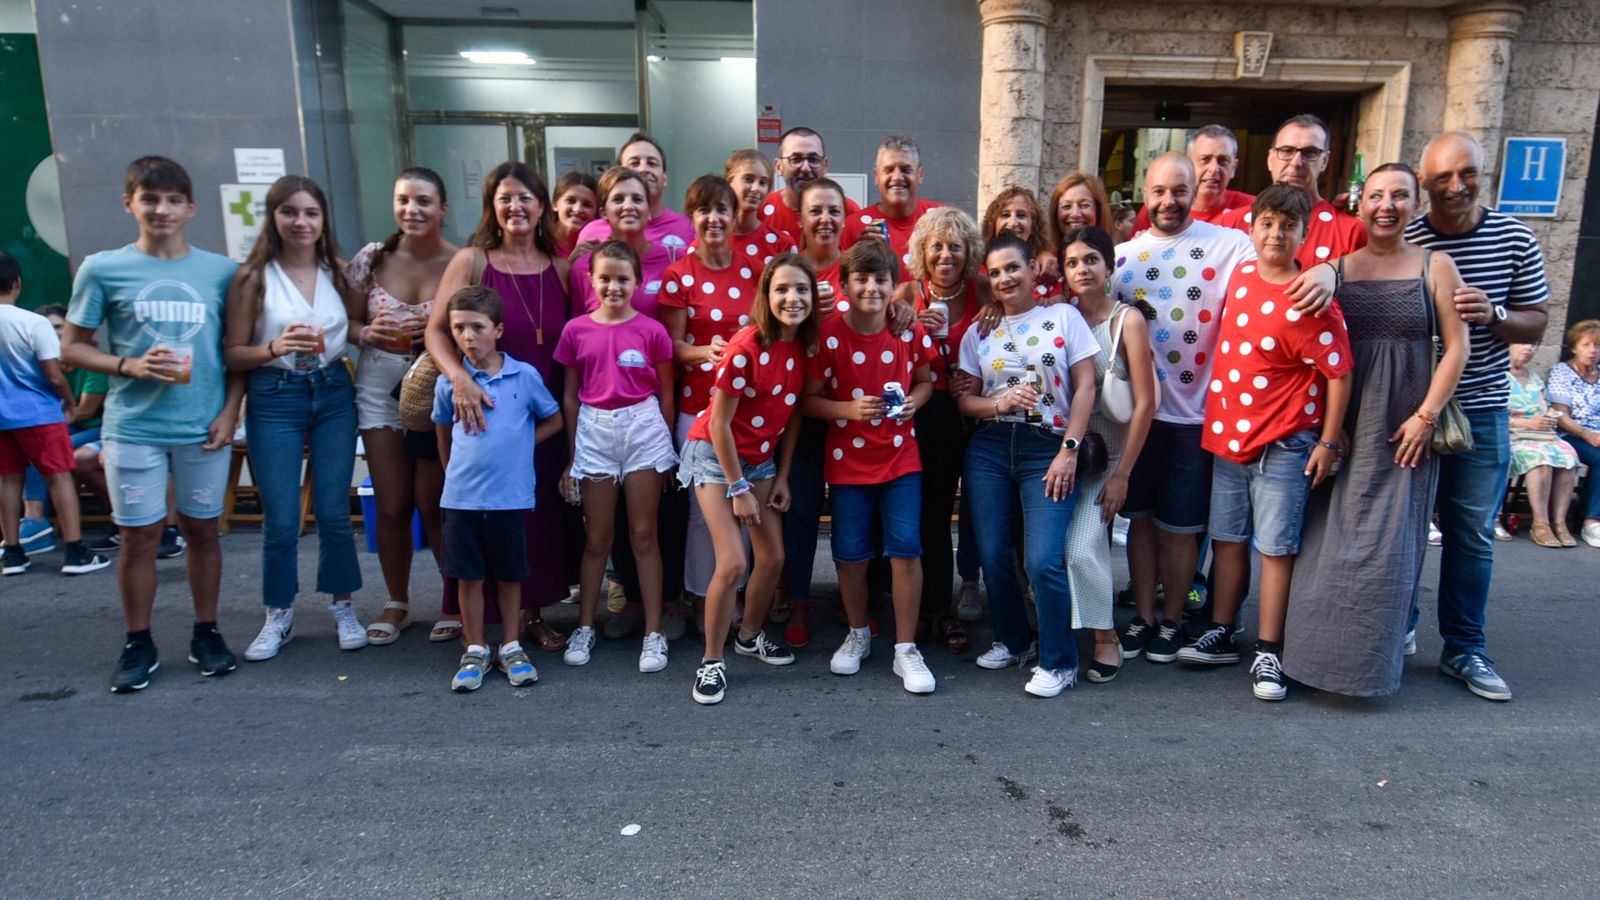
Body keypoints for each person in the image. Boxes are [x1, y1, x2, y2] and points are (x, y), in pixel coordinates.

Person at [1113, 152, 1334, 664]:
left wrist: (1328, 272)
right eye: (1159, 191)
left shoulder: (1230, 244)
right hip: (1140, 417)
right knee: (1141, 523)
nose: (1169, 201)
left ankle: (1173, 622)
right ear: (1145, 194)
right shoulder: (1123, 257)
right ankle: (1144, 616)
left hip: (1199, 418)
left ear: (1195, 191)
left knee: (1182, 529)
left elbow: (1285, 266)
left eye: (1179, 190)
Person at [1284, 163, 1469, 698]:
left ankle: (1366, 668)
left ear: (1416, 205)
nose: (1387, 205)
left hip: (1404, 428)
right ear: (1358, 205)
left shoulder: (1436, 266)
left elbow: (1458, 347)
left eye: (1400, 196)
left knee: (1389, 548)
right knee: (1325, 542)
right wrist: (1328, 429)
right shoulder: (1336, 268)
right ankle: (1308, 661)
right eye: (1377, 196)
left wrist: (1426, 416)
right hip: (1342, 425)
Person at [62, 156, 246, 692]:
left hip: (202, 426)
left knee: (203, 532)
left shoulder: (221, 271)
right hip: (132, 427)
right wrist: (127, 365)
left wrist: (231, 412)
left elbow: (233, 354)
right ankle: (137, 640)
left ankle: (206, 632)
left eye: (171, 200)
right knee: (139, 537)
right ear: (129, 204)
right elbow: (71, 346)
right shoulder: (102, 267)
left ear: (190, 208)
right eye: (149, 198)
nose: (161, 209)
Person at [1175, 186, 1354, 702]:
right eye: (1267, 224)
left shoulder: (1310, 295)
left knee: (1276, 549)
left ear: (1304, 233)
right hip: (1229, 439)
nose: (1276, 234)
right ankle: (1224, 629)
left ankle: (1270, 648)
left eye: (1288, 226)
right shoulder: (1242, 276)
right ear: (1251, 228)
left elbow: (1338, 373)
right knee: (1228, 540)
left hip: (1283, 444)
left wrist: (1327, 442)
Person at [1404, 130, 1552, 700]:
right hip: (1413, 409)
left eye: (1467, 174)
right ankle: (1401, 625)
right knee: (1404, 527)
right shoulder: (1410, 235)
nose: (1457, 186)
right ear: (1425, 183)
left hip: (1484, 408)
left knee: (1469, 534)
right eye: (1443, 177)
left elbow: (1536, 320)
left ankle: (1465, 648)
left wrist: (1493, 313)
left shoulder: (1513, 236)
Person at [425, 161, 574, 649]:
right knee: (473, 512)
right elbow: (436, 330)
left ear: (542, 205)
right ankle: (468, 617)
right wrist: (459, 380)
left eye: (526, 197)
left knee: (536, 521)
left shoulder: (562, 269)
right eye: (505, 197)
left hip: (537, 411)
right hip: (479, 410)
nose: (517, 207)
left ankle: (529, 616)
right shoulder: (472, 260)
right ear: (492, 206)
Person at [223, 175, 366, 661]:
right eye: (289, 212)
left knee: (333, 512)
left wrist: (381, 329)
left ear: (324, 219)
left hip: (332, 391)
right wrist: (273, 347)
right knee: (282, 518)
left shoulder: (339, 270)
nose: (300, 222)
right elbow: (233, 354)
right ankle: (278, 613)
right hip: (275, 394)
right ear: (273, 217)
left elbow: (356, 327)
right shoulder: (252, 276)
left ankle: (343, 605)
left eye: (310, 213)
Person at [955, 232, 1099, 697]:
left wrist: (1069, 449)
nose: (1004, 278)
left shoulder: (1063, 315)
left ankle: (1060, 660)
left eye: (1012, 268)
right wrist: (996, 404)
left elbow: (1085, 387)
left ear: (1032, 269)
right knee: (994, 554)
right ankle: (1013, 641)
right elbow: (965, 400)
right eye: (995, 273)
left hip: (1048, 446)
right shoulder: (979, 330)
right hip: (991, 447)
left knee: (1042, 560)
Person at [802, 239, 939, 694]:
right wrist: (848, 410)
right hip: (846, 464)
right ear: (843, 285)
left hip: (902, 458)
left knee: (905, 549)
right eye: (861, 279)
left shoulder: (907, 330)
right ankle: (858, 632)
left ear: (893, 285)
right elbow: (810, 399)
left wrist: (913, 407)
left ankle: (905, 647)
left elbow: (924, 381)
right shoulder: (829, 335)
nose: (871, 288)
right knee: (851, 553)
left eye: (881, 279)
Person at [681, 253, 816, 704]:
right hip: (716, 460)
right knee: (735, 562)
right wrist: (738, 489)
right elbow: (719, 426)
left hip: (760, 461)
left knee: (773, 558)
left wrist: (781, 476)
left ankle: (749, 635)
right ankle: (712, 661)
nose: (792, 298)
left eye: (801, 289)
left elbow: (792, 413)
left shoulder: (802, 346)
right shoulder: (745, 348)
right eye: (781, 289)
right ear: (766, 295)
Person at [433, 285, 563, 691]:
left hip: (509, 495)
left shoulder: (524, 376)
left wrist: (524, 443)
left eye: (477, 327)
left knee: (509, 575)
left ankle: (509, 645)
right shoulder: (448, 383)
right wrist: (449, 469)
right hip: (461, 498)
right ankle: (475, 648)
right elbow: (442, 428)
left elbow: (554, 419)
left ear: (499, 329)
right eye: (458, 329)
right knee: (468, 577)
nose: (468, 337)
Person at [556, 241, 678, 673]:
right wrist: (573, 455)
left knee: (644, 536)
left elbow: (666, 393)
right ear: (590, 281)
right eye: (604, 278)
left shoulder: (652, 330)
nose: (613, 286)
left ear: (637, 282)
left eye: (623, 278)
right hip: (594, 428)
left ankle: (653, 631)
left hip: (643, 428)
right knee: (597, 538)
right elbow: (570, 396)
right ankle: (585, 625)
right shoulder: (575, 330)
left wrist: (665, 447)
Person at [348, 167, 456, 646]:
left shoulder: (460, 261)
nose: (412, 210)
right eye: (404, 200)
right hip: (379, 385)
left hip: (434, 391)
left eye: (423, 201)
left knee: (435, 503)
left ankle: (453, 601)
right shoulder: (372, 258)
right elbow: (347, 321)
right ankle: (397, 601)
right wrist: (363, 333)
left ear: (442, 209)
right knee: (392, 504)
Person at [1053, 227, 1156, 683]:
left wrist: (1124, 475)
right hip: (1069, 454)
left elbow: (1148, 404)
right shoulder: (1062, 318)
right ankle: (1064, 628)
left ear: (1109, 265)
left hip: (1111, 459)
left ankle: (1105, 637)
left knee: (1080, 548)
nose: (1082, 269)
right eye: (1073, 262)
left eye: (1091, 259)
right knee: (1050, 548)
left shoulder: (1126, 321)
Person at [660, 176, 762, 624]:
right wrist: (708, 351)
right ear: (692, 216)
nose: (714, 218)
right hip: (697, 412)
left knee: (747, 507)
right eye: (704, 210)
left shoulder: (754, 270)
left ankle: (740, 591)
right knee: (705, 517)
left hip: (747, 413)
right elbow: (671, 346)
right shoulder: (678, 274)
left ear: (735, 214)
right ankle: (705, 597)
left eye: (722, 209)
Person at [893, 207, 986, 650]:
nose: (946, 255)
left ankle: (970, 591)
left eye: (955, 246)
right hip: (929, 412)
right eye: (937, 247)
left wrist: (979, 377)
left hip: (979, 411)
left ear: (968, 252)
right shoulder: (908, 293)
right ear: (922, 253)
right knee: (931, 512)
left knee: (978, 510)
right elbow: (884, 345)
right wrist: (908, 324)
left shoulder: (984, 291)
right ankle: (934, 608)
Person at [0, 257, 110, 576]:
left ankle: (12, 553)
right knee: (59, 476)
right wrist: (67, 402)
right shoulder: (32, 323)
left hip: (2, 418)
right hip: (39, 414)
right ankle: (75, 551)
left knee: (7, 481)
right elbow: (54, 374)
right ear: (17, 282)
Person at [1217, 114, 1366, 270]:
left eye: (1310, 153)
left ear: (1324, 161)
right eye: (1287, 151)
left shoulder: (1351, 232)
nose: (1296, 163)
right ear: (1270, 158)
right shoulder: (1230, 224)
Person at [571, 166, 677, 322]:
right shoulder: (582, 267)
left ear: (649, 212)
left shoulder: (673, 260)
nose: (628, 206)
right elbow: (578, 333)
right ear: (603, 213)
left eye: (637, 199)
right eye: (618, 199)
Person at [574, 133, 693, 260]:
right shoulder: (592, 232)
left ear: (665, 178)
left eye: (652, 163)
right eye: (634, 163)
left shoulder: (687, 228)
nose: (643, 169)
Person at [1507, 342, 1579, 547]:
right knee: (1542, 460)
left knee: (1568, 455)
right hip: (1514, 433)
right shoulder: (1498, 376)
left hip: (1541, 434)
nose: (1528, 348)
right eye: (1523, 344)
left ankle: (1559, 523)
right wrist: (1527, 423)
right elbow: (1495, 415)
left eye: (1534, 345)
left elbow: (1544, 406)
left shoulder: (1534, 377)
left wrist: (1549, 416)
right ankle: (1540, 524)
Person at [1131, 125, 1255, 234]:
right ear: (1188, 164)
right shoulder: (1158, 209)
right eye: (1205, 159)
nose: (1213, 169)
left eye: (1223, 161)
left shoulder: (1254, 209)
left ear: (1233, 167)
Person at [761, 126, 863, 247]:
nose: (805, 167)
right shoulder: (761, 211)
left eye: (813, 159)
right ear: (778, 166)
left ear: (825, 165)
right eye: (796, 159)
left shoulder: (849, 212)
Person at [1548, 320, 1600, 548]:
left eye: (1598, 346)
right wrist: (1589, 435)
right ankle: (1591, 521)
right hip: (1572, 435)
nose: (1593, 351)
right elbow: (1562, 416)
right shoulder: (1562, 372)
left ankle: (1588, 511)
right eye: (1587, 345)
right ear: (1574, 347)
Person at [854, 134, 942, 267]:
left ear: (920, 175)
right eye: (888, 170)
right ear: (876, 176)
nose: (897, 177)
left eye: (906, 170)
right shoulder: (853, 227)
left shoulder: (943, 220)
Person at [981, 186, 1061, 300]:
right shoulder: (979, 268)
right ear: (993, 224)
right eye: (1005, 215)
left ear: (1033, 226)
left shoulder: (1046, 268)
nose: (1013, 223)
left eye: (1021, 215)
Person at [725, 148, 796, 271]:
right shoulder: (711, 240)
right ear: (729, 182)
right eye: (748, 179)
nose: (755, 188)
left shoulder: (782, 244)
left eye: (763, 183)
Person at [551, 170, 599, 261]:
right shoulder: (538, 242)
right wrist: (571, 262)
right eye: (571, 201)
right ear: (554, 204)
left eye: (587, 205)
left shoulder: (598, 243)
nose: (578, 209)